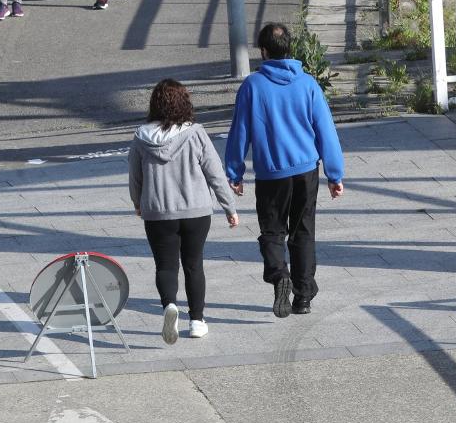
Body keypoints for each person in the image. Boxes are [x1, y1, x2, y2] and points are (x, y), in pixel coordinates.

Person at [224, 22, 344, 318]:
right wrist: (335, 174)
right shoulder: (307, 84)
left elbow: (239, 132)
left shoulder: (252, 86)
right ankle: (303, 297)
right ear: (289, 49)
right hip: (306, 170)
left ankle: (280, 276)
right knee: (303, 232)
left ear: (263, 51)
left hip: (271, 173)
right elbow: (325, 131)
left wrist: (234, 172)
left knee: (273, 232)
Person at [129, 79, 239, 344]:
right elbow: (214, 172)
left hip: (158, 211)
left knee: (165, 266)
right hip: (196, 211)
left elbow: (135, 176)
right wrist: (229, 207)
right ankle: (197, 321)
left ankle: (169, 305)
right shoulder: (196, 132)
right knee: (193, 265)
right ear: (184, 103)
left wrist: (138, 203)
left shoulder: (141, 136)